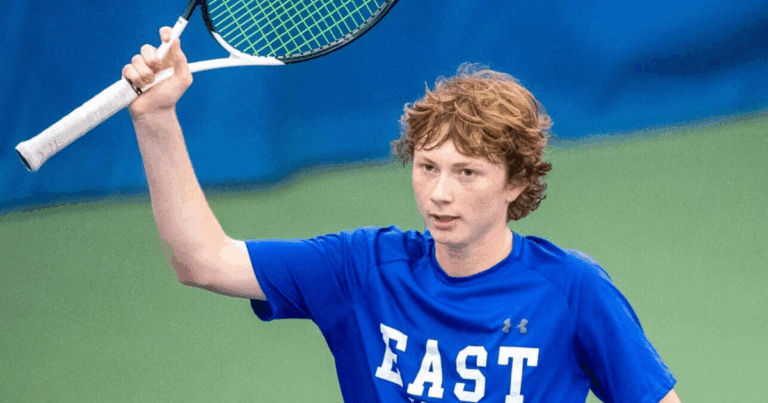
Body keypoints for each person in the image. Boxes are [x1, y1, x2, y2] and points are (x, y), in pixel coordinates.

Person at [125, 27, 681, 403]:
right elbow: (201, 260)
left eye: (468, 173)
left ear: (515, 183)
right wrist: (156, 119)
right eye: (427, 166)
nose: (440, 193)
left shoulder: (572, 289)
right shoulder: (361, 267)